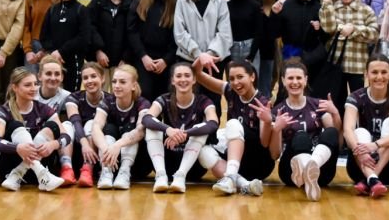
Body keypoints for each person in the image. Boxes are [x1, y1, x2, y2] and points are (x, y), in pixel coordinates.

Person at [193, 59, 271, 197]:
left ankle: (230, 178)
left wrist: (268, 121)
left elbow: (265, 143)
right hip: (237, 164)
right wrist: (200, 59)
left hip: (258, 163)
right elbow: (197, 74)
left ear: (252, 77)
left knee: (233, 124)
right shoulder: (230, 91)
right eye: (232, 78)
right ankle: (244, 184)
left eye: (240, 77)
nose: (235, 82)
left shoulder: (262, 103)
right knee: (203, 150)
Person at [266, 60, 339, 201]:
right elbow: (275, 155)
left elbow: (336, 138)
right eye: (290, 78)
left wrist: (335, 113)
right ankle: (308, 171)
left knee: (331, 131)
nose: (295, 82)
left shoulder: (318, 105)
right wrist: (276, 129)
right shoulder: (278, 112)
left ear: (305, 80)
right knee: (300, 136)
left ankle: (313, 166)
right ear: (283, 81)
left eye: (299, 78)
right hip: (291, 174)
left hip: (322, 174)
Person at [142, 62, 218, 193]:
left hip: (193, 168)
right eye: (178, 76)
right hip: (167, 162)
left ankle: (180, 176)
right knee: (152, 127)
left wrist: (186, 134)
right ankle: (160, 176)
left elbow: (213, 123)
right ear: (173, 80)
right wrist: (168, 130)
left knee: (201, 129)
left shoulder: (203, 101)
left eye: (187, 75)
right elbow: (146, 119)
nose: (183, 79)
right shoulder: (164, 99)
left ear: (194, 79)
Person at [341, 53, 389, 198]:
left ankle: (371, 179)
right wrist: (361, 152)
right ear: (366, 74)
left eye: (384, 72)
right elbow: (347, 130)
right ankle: (372, 179)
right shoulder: (355, 97)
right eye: (374, 72)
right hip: (360, 165)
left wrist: (376, 145)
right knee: (359, 132)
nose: (379, 77)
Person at [0, 67, 67, 192]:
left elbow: (66, 136)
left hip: (36, 173)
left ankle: (20, 173)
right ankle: (38, 173)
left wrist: (54, 144)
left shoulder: (43, 108)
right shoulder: (3, 110)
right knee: (15, 125)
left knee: (53, 125)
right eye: (27, 85)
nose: (33, 88)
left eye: (35, 84)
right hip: (8, 169)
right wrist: (17, 147)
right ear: (15, 87)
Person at [175, 0, 232, 95]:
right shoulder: (182, 1)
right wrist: (199, 55)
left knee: (213, 101)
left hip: (214, 61)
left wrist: (209, 55)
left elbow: (225, 33)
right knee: (189, 99)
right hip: (189, 60)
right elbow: (180, 33)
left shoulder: (220, 1)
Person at [89, 63, 149, 189]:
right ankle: (106, 171)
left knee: (130, 128)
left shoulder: (142, 103)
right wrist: (106, 150)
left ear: (133, 86)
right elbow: (95, 127)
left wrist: (117, 145)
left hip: (137, 162)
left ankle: (124, 172)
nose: (116, 86)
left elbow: (140, 131)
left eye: (122, 82)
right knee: (109, 128)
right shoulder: (107, 101)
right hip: (110, 158)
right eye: (114, 81)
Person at [317, 0, 378, 97]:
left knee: (358, 99)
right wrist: (327, 3)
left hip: (358, 65)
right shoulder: (331, 8)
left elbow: (374, 34)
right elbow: (328, 28)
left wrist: (354, 29)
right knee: (337, 99)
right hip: (336, 65)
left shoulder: (366, 10)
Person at [128, 0, 179, 103]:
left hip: (165, 60)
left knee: (165, 98)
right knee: (145, 94)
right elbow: (132, 31)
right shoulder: (139, 1)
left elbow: (177, 36)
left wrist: (166, 60)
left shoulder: (175, 5)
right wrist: (143, 56)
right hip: (143, 58)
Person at [39, 0, 91, 92]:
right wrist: (54, 52)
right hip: (54, 60)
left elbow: (84, 38)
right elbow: (44, 36)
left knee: (71, 95)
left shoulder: (81, 10)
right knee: (52, 93)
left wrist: (61, 51)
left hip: (74, 60)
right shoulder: (52, 10)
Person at [271, 0, 324, 83]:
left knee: (311, 85)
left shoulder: (320, 6)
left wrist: (320, 28)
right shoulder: (287, 4)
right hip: (291, 53)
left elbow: (326, 34)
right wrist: (275, 15)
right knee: (289, 84)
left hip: (312, 54)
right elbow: (276, 32)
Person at [65, 62, 109, 187]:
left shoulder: (110, 99)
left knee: (92, 124)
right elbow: (75, 122)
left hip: (100, 151)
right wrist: (85, 144)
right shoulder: (74, 97)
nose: (89, 81)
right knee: (67, 125)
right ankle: (67, 168)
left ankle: (88, 170)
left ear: (102, 78)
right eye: (85, 78)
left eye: (93, 76)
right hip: (80, 148)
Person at [86, 0, 130, 69]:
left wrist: (126, 58)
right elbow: (89, 27)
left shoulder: (131, 4)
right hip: (100, 60)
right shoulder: (97, 3)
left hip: (123, 63)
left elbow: (134, 33)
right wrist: (97, 51)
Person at [246, 0, 278, 95]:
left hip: (267, 47)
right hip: (249, 47)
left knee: (265, 84)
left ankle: (265, 105)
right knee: (249, 84)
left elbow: (277, 25)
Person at [23, 0, 58, 67]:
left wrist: (46, 49)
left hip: (54, 47)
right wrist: (28, 50)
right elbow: (25, 25)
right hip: (34, 47)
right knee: (32, 77)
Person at [226, 0, 263, 69]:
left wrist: (251, 56)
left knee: (252, 78)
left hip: (251, 49)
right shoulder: (226, 6)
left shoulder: (255, 5)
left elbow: (259, 32)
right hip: (232, 48)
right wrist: (228, 56)